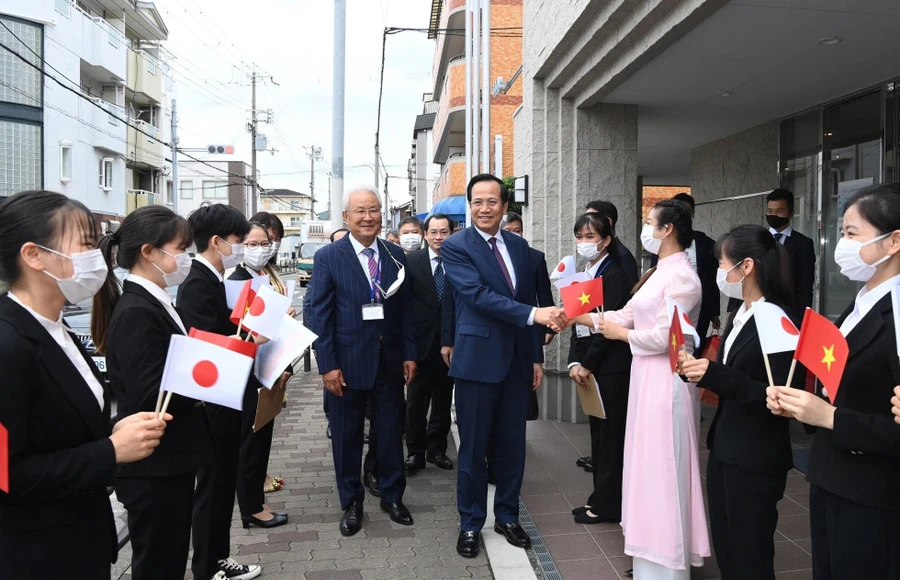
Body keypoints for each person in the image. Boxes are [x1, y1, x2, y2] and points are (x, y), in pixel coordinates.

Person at [0, 190, 168, 579]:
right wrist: (110, 451)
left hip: (79, 542)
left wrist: (113, 430)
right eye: (86, 245)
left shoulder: (58, 331)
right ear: (33, 255)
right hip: (36, 554)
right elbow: (8, 475)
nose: (99, 257)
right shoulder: (8, 346)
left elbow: (58, 431)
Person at [766, 183, 900, 579]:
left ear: (893, 241)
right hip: (829, 475)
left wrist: (830, 418)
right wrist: (800, 402)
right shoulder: (859, 304)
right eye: (841, 232)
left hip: (872, 490)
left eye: (852, 233)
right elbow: (836, 385)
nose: (841, 244)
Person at [570, 199, 709, 578]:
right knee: (645, 466)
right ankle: (647, 557)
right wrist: (585, 317)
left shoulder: (683, 277)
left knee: (665, 466)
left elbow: (670, 337)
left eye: (650, 223)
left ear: (668, 230)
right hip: (645, 378)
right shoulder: (658, 271)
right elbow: (628, 313)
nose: (645, 229)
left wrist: (622, 334)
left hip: (668, 380)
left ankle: (669, 561)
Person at [441, 174, 567, 559]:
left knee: (513, 448)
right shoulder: (456, 246)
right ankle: (470, 523)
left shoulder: (519, 246)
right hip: (477, 363)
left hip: (516, 363)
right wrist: (534, 314)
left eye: (492, 201)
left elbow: (527, 297)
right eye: (477, 201)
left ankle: (508, 517)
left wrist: (534, 357)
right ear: (470, 204)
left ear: (504, 205)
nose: (484, 208)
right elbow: (477, 296)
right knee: (474, 449)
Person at [93, 206, 213, 580]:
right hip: (152, 465)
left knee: (170, 556)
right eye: (181, 248)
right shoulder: (136, 310)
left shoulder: (156, 299)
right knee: (159, 564)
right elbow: (148, 392)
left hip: (169, 459)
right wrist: (208, 378)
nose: (186, 258)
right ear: (149, 252)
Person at [679, 224, 804, 580]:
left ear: (746, 267)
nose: (720, 273)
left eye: (722, 264)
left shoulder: (778, 320)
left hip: (756, 454)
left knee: (750, 554)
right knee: (728, 548)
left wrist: (714, 375)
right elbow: (730, 375)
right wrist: (696, 370)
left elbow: (777, 394)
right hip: (726, 447)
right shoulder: (742, 314)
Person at [306, 186, 417, 537]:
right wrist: (327, 365)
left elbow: (407, 311)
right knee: (347, 437)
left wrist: (410, 353)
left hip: (389, 361)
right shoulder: (328, 257)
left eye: (374, 210)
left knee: (389, 433)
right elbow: (319, 315)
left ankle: (392, 496)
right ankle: (351, 503)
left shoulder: (396, 254)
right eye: (360, 211)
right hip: (346, 364)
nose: (367, 217)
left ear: (382, 213)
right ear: (346, 217)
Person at [177, 204, 260, 580]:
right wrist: (245, 337)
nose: (242, 248)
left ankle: (218, 558)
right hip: (214, 404)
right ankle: (209, 566)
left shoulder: (215, 279)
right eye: (239, 241)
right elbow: (203, 344)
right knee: (213, 486)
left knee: (223, 481)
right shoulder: (197, 282)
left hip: (227, 396)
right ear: (216, 241)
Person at [566, 212, 632, 524]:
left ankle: (608, 504)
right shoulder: (587, 271)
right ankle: (600, 499)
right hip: (592, 366)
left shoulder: (615, 273)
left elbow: (609, 326)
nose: (583, 243)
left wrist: (588, 363)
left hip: (611, 367)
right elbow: (577, 321)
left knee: (611, 440)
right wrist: (576, 361)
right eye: (579, 236)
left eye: (590, 237)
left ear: (606, 240)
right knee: (598, 438)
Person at [228, 221, 289, 530]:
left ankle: (255, 501)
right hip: (246, 375)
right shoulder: (237, 281)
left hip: (267, 369)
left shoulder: (263, 276)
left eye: (264, 243)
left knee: (261, 439)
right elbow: (238, 332)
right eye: (251, 244)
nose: (260, 249)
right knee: (250, 443)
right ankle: (251, 508)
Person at [404, 213, 456, 475]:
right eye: (433, 232)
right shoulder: (411, 262)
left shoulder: (460, 262)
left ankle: (437, 449)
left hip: (449, 346)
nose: (438, 237)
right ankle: (415, 453)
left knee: (443, 401)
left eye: (443, 232)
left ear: (452, 233)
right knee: (415, 403)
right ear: (425, 234)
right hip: (418, 346)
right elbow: (403, 306)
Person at [250, 211, 293, 492]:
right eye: (264, 240)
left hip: (274, 354)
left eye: (274, 241)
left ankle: (259, 476)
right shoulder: (243, 275)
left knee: (265, 424)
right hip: (255, 357)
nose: (270, 246)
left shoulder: (271, 270)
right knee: (254, 429)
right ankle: (254, 482)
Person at [651, 193, 719, 351]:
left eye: (687, 211)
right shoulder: (660, 244)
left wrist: (715, 312)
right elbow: (655, 273)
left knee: (696, 346)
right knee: (671, 344)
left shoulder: (707, 244)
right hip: (668, 304)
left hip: (700, 305)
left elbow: (711, 279)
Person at [730, 188, 815, 314]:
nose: (773, 215)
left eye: (779, 212)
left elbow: (805, 287)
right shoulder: (755, 239)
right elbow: (741, 274)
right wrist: (733, 308)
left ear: (791, 213)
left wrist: (804, 318)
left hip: (787, 312)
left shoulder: (803, 244)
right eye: (770, 211)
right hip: (754, 309)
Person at [310, 227, 349, 440]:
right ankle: (332, 423)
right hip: (335, 348)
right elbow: (314, 307)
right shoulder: (326, 260)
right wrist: (320, 350)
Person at [585, 200, 639, 285]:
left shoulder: (623, 256)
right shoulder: (596, 254)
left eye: (592, 218)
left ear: (608, 222)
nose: (585, 224)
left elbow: (629, 291)